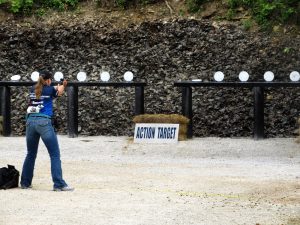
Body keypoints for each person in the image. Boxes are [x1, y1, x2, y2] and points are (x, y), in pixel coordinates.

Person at [20, 70, 74, 191]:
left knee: (30, 154)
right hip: (44, 122)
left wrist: (57, 85)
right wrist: (63, 85)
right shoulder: (50, 90)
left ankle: (25, 183)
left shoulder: (32, 88)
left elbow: (48, 88)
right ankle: (59, 184)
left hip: (30, 122)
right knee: (54, 155)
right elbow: (59, 92)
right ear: (48, 80)